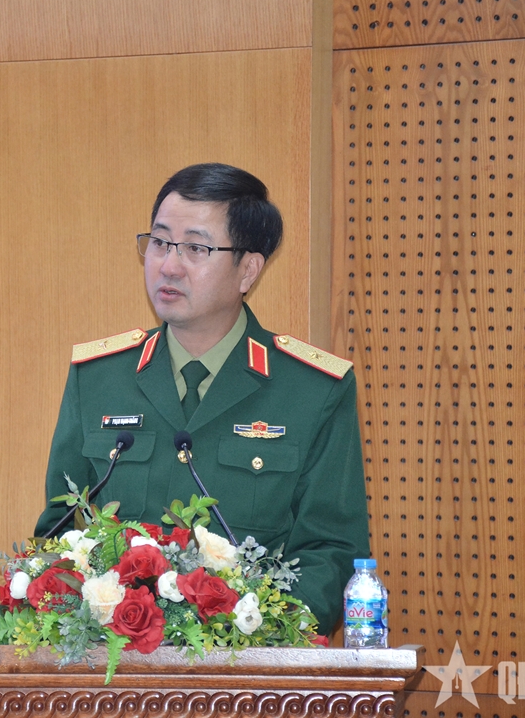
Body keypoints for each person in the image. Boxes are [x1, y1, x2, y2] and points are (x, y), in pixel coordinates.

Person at [34, 163, 370, 634]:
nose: (168, 265)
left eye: (196, 248)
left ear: (248, 269)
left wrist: (260, 636)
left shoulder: (312, 390)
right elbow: (59, 531)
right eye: (159, 242)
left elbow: (330, 553)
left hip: (250, 665)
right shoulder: (98, 378)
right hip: (114, 665)